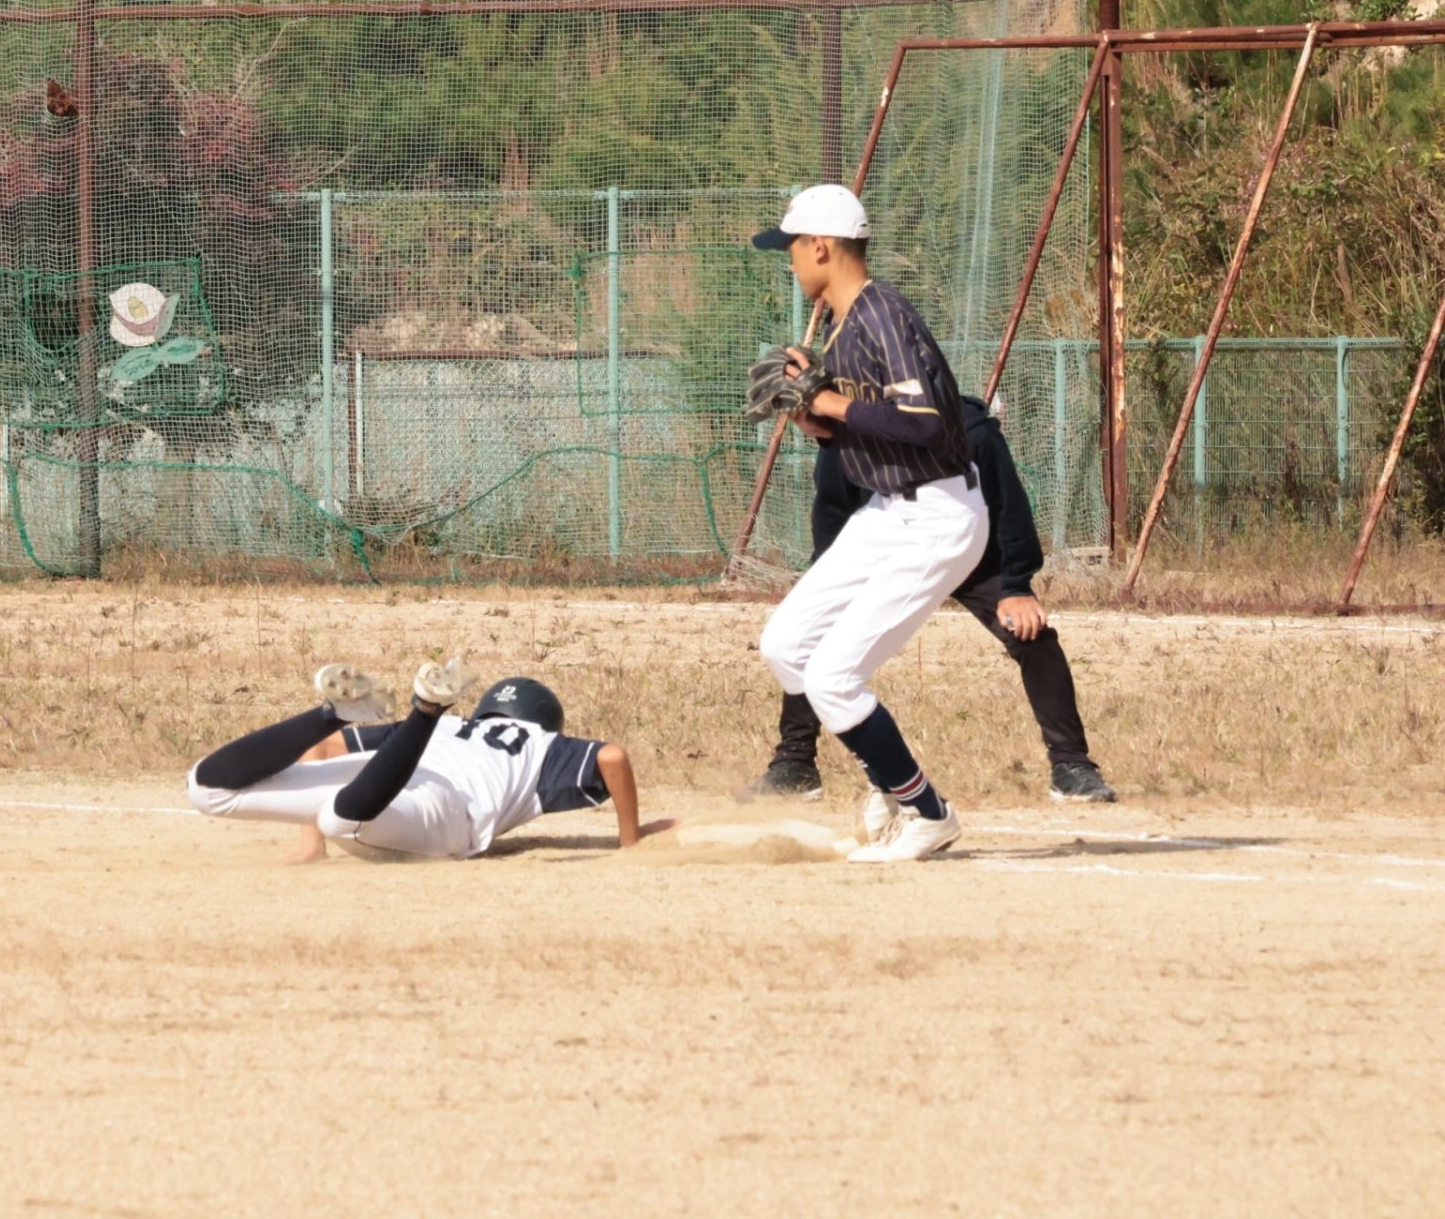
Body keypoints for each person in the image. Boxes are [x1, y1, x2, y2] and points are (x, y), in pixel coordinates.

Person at [740, 184, 989, 863]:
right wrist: (813, 416)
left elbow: (924, 421)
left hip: (939, 515)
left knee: (833, 678)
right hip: (888, 512)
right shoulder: (845, 325)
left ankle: (928, 814)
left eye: (793, 247)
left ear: (822, 246)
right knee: (786, 645)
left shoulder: (883, 315)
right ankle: (889, 783)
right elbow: (859, 435)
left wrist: (828, 400)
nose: (790, 260)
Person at [745, 393, 1119, 816]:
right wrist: (825, 584)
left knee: (1032, 635)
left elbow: (1008, 502)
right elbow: (834, 509)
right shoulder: (851, 428)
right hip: (891, 546)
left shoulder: (965, 428)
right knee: (809, 636)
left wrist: (1016, 585)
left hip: (970, 548)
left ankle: (1072, 766)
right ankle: (795, 763)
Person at [185, 660, 675, 862]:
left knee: (206, 789)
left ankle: (331, 713)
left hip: (400, 763)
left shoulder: (458, 727)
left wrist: (309, 845)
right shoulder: (541, 743)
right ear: (546, 719)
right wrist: (629, 841)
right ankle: (424, 707)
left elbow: (326, 753)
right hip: (444, 808)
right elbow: (612, 756)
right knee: (341, 818)